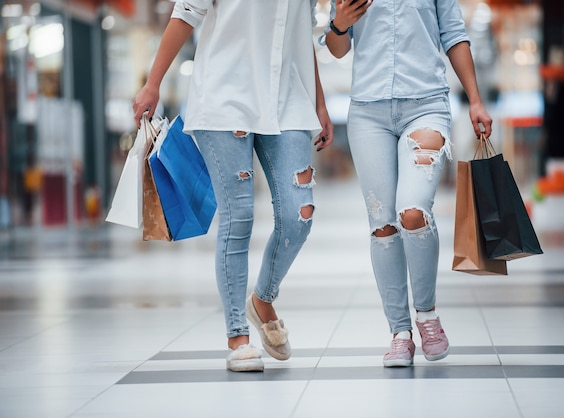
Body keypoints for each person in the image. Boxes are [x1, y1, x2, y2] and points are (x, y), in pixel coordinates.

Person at [133, 0, 334, 372]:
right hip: (226, 99)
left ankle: (263, 299)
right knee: (238, 216)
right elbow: (185, 14)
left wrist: (319, 104)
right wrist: (153, 82)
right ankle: (238, 337)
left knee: (299, 215)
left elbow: (299, 39)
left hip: (287, 102)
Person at [323, 0, 492, 366]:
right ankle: (400, 333)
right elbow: (337, 48)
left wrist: (475, 100)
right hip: (368, 111)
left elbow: (454, 35)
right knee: (382, 226)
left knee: (413, 212)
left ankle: (427, 315)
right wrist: (339, 25)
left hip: (426, 104)